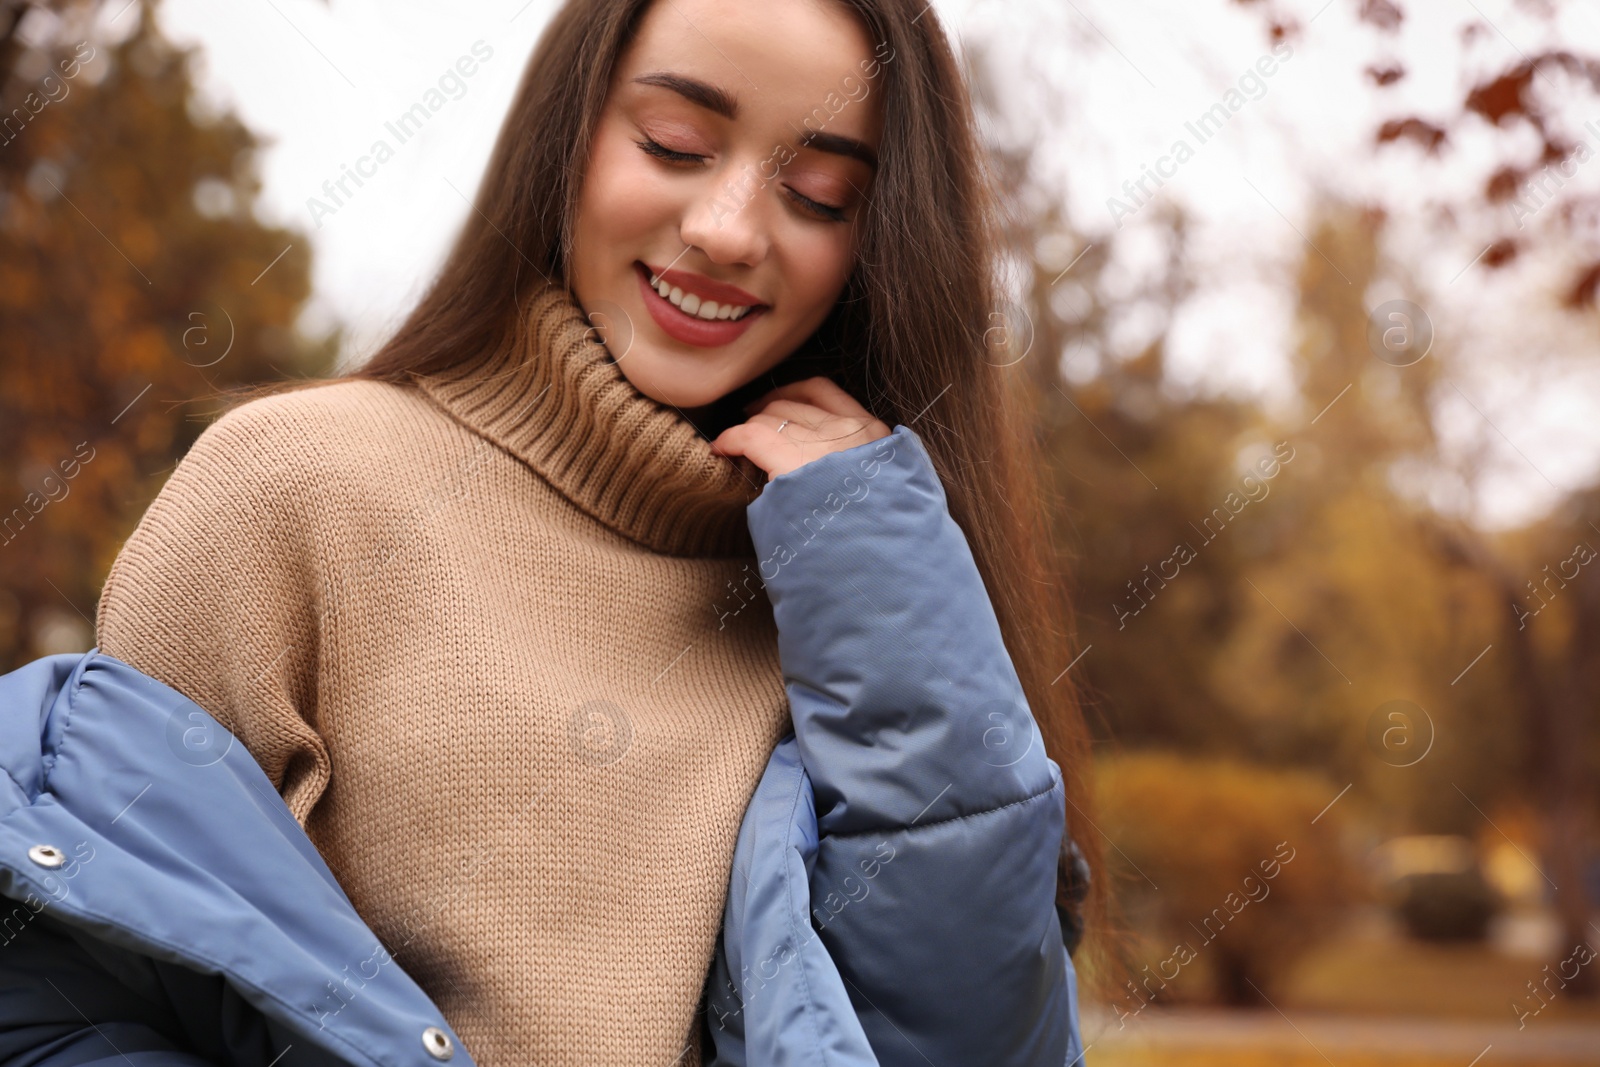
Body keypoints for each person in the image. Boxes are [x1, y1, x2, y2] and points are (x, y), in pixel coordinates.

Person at [6, 0, 1096, 1063]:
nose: (726, 230)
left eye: (817, 196)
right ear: (565, 136)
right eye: (674, 145)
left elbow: (975, 1034)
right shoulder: (291, 486)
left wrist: (883, 579)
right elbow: (74, 979)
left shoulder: (862, 568)